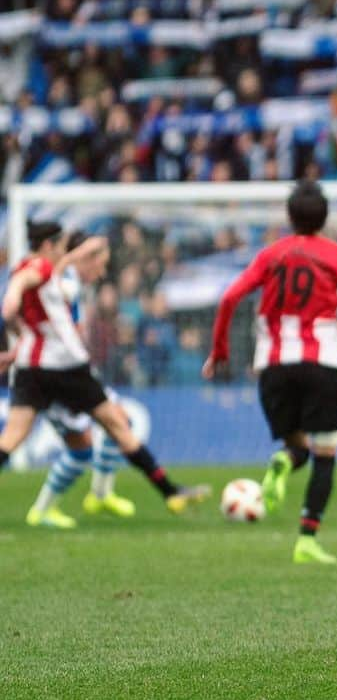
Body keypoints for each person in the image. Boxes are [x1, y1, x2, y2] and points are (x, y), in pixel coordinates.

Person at [203, 181, 337, 565]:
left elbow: (230, 297)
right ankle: (306, 539)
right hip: (325, 364)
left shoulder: (269, 255)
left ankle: (287, 458)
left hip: (273, 364)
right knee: (325, 454)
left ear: (289, 217)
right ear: (325, 217)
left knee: (298, 445)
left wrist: (219, 350)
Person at [0, 222, 209, 514]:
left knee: (11, 438)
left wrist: (16, 347)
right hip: (66, 368)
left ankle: (114, 493)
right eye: (60, 248)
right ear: (49, 246)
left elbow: (31, 311)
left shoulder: (35, 268)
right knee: (116, 426)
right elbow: (24, 285)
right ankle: (169, 492)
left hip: (31, 368)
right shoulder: (42, 269)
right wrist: (10, 300)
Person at [24, 229, 136, 528]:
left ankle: (100, 494)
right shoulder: (67, 282)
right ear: (86, 259)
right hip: (53, 377)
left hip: (70, 373)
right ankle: (43, 509)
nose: (102, 272)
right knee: (81, 448)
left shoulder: (75, 285)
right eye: (101, 263)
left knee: (119, 422)